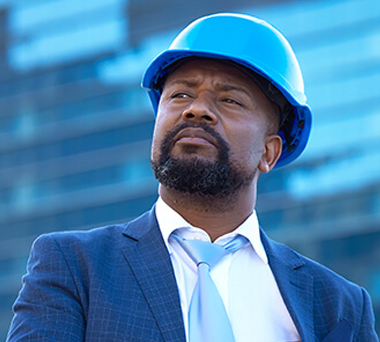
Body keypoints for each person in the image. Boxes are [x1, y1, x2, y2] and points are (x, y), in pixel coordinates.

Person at [7, 13, 378, 342]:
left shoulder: (338, 304)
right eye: (181, 94)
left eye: (230, 100)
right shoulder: (75, 267)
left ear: (270, 152)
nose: (197, 109)